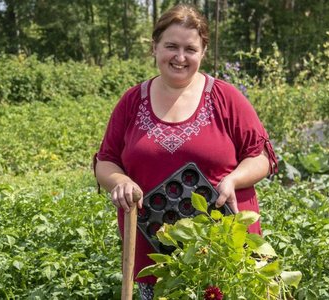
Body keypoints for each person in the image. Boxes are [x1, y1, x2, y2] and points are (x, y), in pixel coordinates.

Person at [93, 3, 278, 299]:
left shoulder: (225, 98)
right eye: (171, 46)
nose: (180, 57)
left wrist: (232, 180)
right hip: (154, 252)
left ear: (203, 51)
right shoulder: (132, 101)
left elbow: (262, 158)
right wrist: (120, 182)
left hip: (222, 248)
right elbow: (106, 161)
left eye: (190, 49)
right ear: (154, 48)